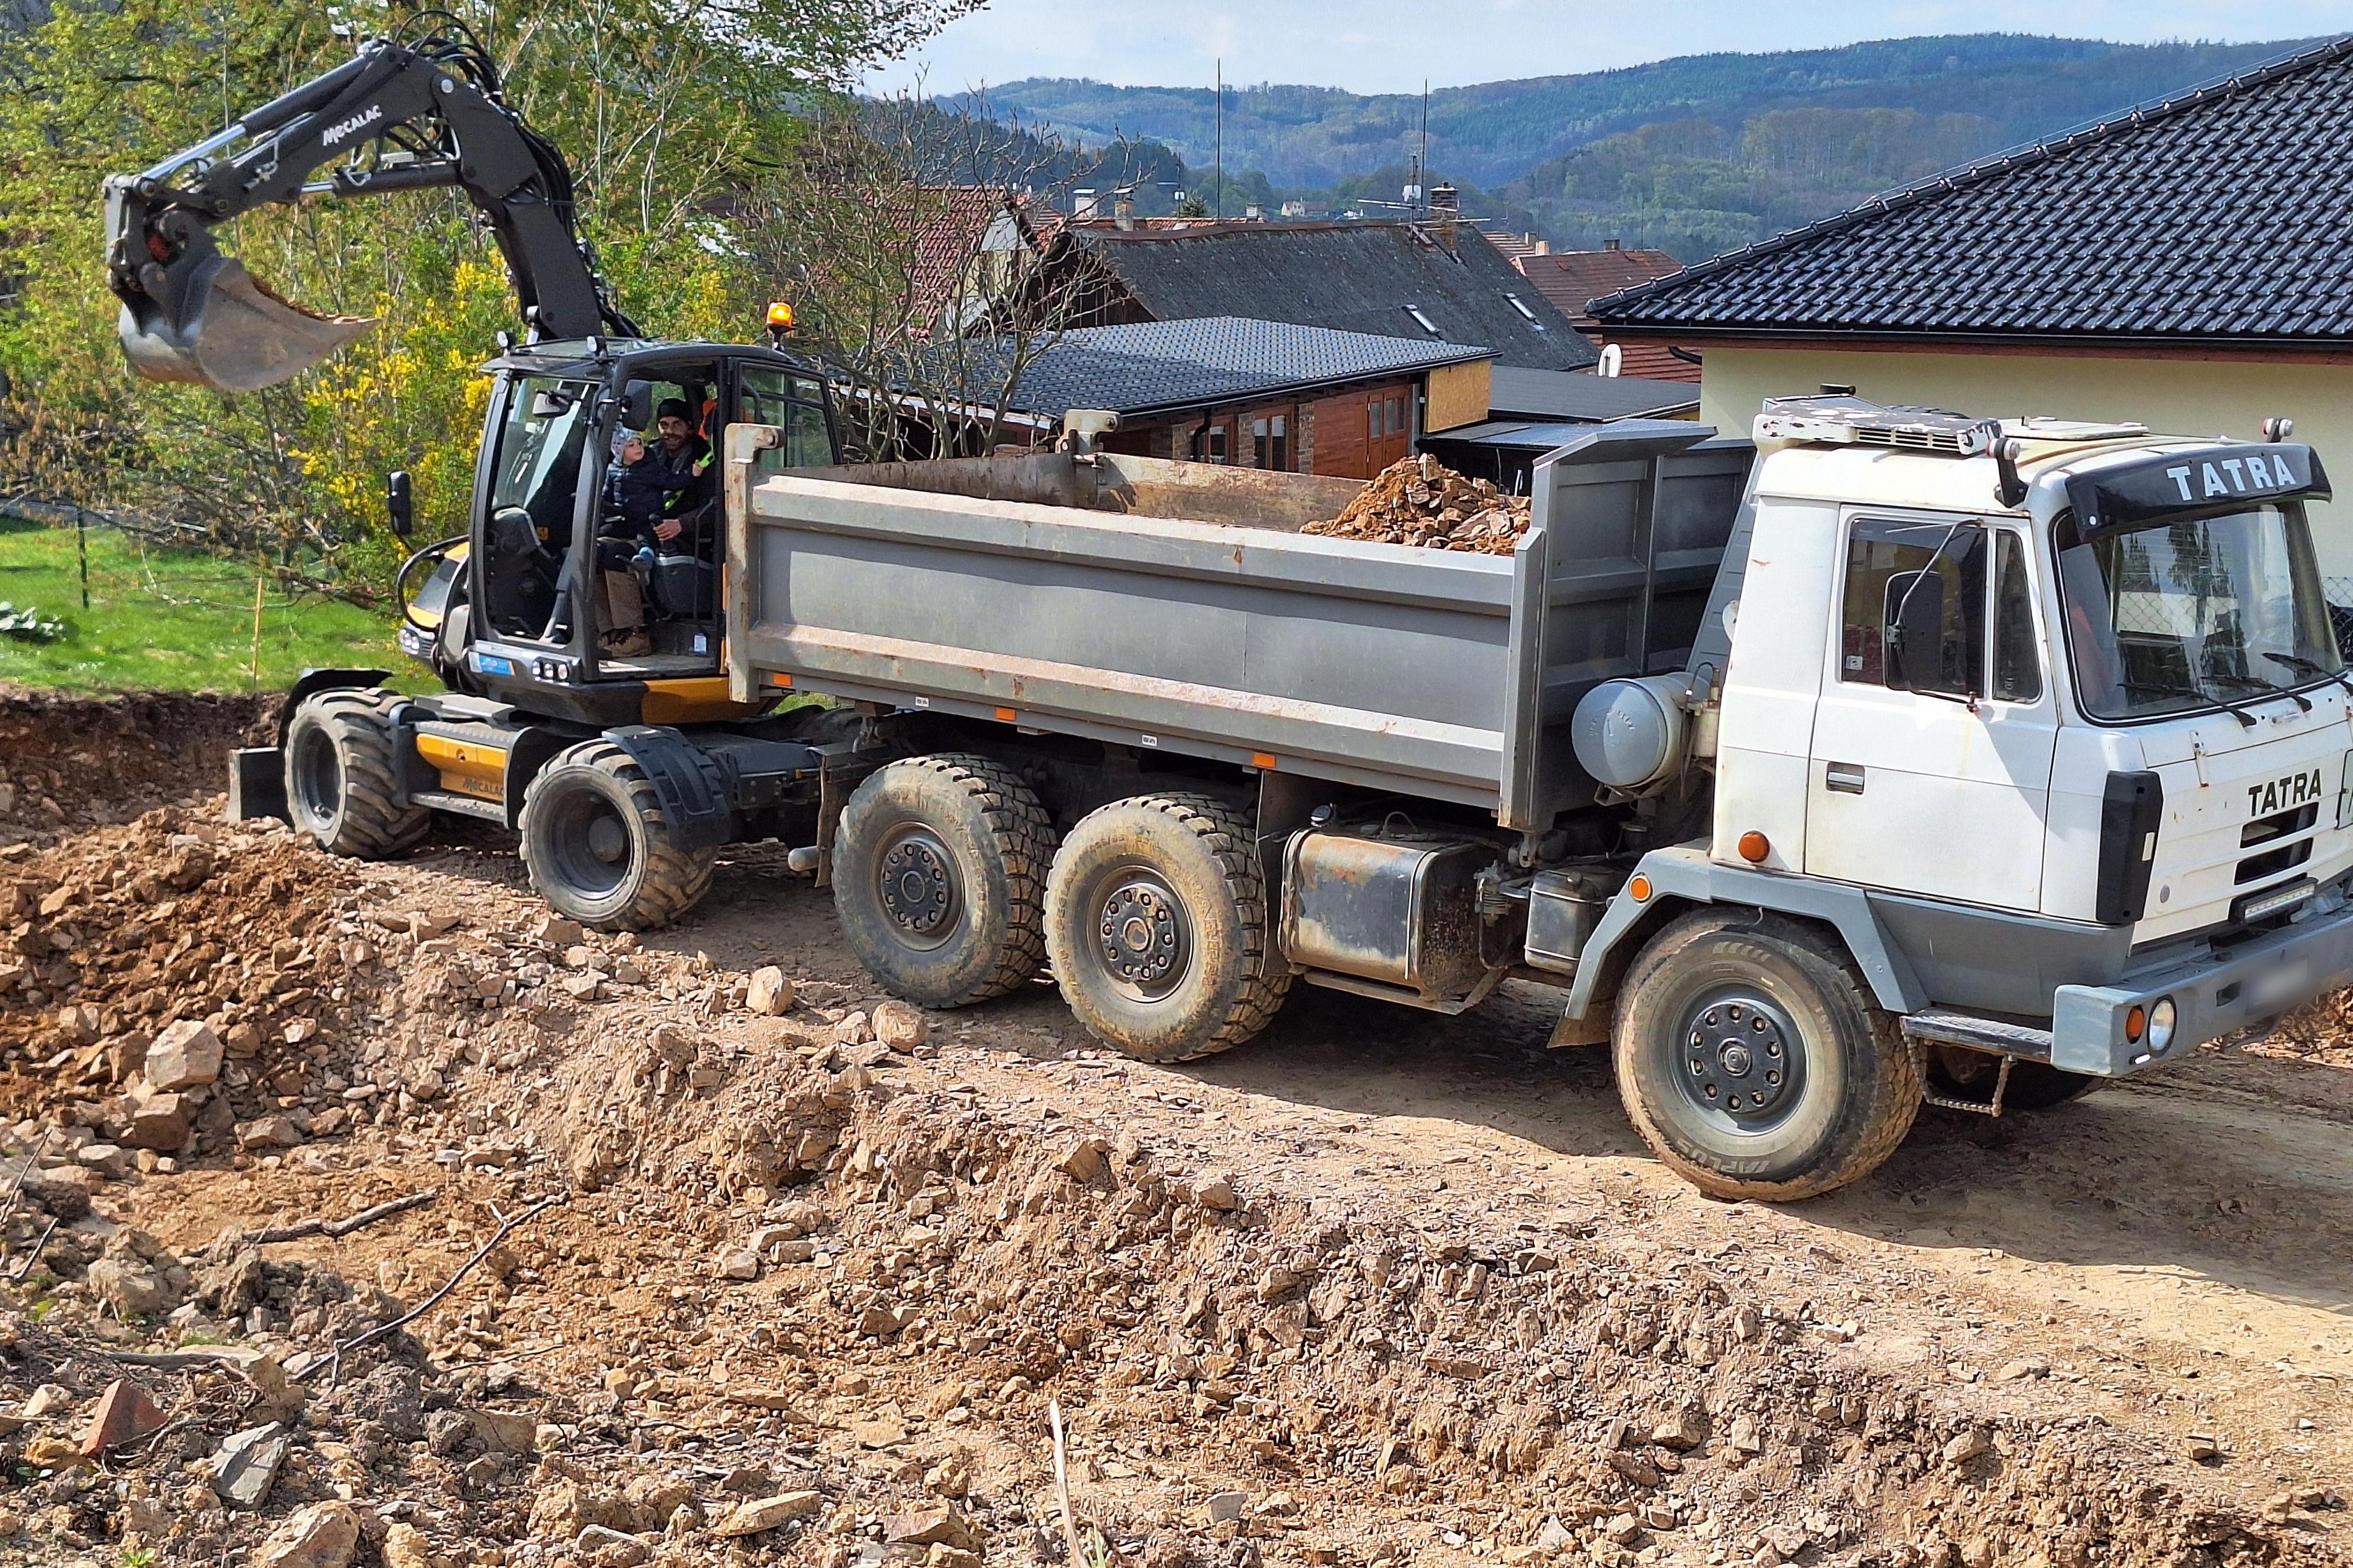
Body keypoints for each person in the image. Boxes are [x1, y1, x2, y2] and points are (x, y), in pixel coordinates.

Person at [594, 433, 695, 656]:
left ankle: (635, 635)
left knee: (617, 556)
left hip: (648, 525)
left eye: (639, 443)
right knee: (592, 554)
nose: (638, 448)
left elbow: (676, 481)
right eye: (631, 445)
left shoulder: (651, 468)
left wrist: (693, 474)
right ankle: (608, 631)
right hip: (623, 523)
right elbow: (605, 496)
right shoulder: (614, 470)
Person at [645, 398, 712, 549]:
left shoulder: (705, 460)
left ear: (689, 427)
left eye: (677, 424)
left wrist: (681, 524)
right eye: (664, 425)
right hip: (650, 528)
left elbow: (715, 506)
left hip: (690, 540)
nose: (670, 431)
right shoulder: (648, 456)